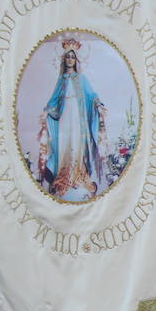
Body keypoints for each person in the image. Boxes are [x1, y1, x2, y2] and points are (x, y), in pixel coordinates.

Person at [40, 36, 107, 198]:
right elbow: (54, 98)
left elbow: (91, 94)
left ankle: (77, 174)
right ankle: (64, 176)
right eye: (68, 57)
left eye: (72, 57)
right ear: (64, 59)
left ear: (76, 60)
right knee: (64, 142)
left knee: (77, 141)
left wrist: (98, 105)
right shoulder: (61, 79)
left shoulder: (81, 78)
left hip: (77, 116)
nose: (70, 59)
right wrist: (47, 111)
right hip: (64, 116)